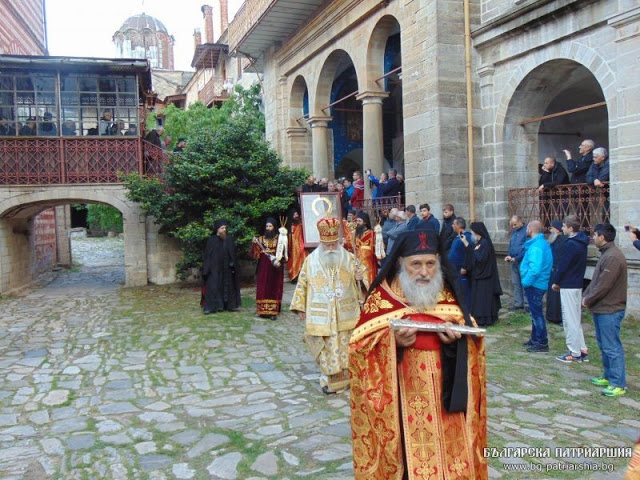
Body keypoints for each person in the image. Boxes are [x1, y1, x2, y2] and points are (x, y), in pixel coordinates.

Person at [349, 228, 488, 480]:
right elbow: (360, 348)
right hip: (403, 390)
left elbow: (472, 338)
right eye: (416, 264)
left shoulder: (447, 293)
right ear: (401, 263)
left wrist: (456, 342)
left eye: (430, 264)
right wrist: (393, 343)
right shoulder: (383, 297)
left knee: (451, 456)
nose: (424, 272)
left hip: (446, 393)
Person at [290, 217, 363, 394]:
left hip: (346, 312)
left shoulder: (350, 258)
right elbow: (303, 283)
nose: (330, 249)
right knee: (327, 346)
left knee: (346, 346)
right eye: (327, 245)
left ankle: (347, 379)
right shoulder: (310, 261)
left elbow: (363, 282)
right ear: (321, 242)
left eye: (333, 245)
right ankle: (329, 379)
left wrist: (361, 278)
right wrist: (300, 306)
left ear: (338, 242)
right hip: (322, 313)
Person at [583, 223, 628, 397]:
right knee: (604, 344)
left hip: (610, 308)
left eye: (595, 234)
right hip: (602, 308)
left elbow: (604, 285)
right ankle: (608, 376)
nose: (593, 237)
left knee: (612, 346)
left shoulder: (613, 257)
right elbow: (596, 281)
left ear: (602, 236)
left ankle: (618, 383)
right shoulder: (606, 254)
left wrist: (588, 299)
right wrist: (587, 294)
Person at [551, 215, 589, 363]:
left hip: (568, 284)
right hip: (576, 283)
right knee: (575, 318)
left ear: (571, 228)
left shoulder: (571, 244)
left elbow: (564, 265)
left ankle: (574, 352)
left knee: (569, 319)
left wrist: (556, 281)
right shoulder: (581, 241)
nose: (562, 228)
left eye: (565, 226)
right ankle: (582, 349)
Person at [461, 221, 502, 326]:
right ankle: (478, 318)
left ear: (477, 232)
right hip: (478, 276)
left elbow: (481, 259)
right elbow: (474, 254)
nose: (472, 235)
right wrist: (466, 243)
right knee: (479, 299)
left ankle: (485, 319)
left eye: (472, 232)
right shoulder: (479, 243)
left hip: (484, 276)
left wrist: (474, 251)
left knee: (483, 299)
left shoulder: (485, 243)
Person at [520, 221, 553, 352]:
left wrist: (526, 282)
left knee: (537, 314)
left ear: (531, 230)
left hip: (535, 284)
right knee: (534, 314)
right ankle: (534, 339)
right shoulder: (539, 243)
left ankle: (542, 342)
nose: (526, 230)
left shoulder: (537, 247)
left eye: (527, 227)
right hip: (537, 283)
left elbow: (535, 269)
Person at [202, 219, 241, 314]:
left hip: (227, 268)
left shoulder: (229, 239)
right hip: (214, 268)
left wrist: (232, 263)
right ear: (217, 229)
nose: (224, 230)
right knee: (213, 286)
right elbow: (207, 256)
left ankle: (230, 306)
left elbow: (233, 254)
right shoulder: (212, 240)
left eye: (225, 228)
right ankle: (211, 307)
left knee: (229, 286)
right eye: (222, 228)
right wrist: (207, 268)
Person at [250, 218, 285, 320]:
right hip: (264, 268)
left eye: (270, 226)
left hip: (275, 268)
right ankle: (262, 310)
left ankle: (273, 312)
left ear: (274, 227)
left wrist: (279, 260)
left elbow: (284, 252)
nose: (268, 228)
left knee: (274, 287)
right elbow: (255, 255)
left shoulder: (279, 239)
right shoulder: (260, 239)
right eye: (267, 226)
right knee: (263, 286)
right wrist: (254, 244)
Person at [449, 216, 473, 312]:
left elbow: (469, 253)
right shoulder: (457, 237)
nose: (452, 226)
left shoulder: (467, 237)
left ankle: (467, 312)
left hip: (461, 270)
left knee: (465, 292)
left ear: (458, 225)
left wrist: (465, 267)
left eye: (454, 224)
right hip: (454, 269)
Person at [353, 211, 382, 289]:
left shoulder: (373, 234)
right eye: (356, 221)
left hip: (368, 263)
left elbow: (378, 247)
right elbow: (351, 246)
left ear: (365, 222)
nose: (357, 223)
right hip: (357, 262)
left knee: (368, 282)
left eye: (359, 221)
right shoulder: (355, 234)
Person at [504, 215, 528, 311]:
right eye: (512, 225)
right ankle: (518, 303)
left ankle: (527, 305)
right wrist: (509, 255)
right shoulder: (514, 232)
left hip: (522, 261)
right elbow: (511, 245)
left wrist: (517, 258)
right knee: (516, 283)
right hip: (514, 261)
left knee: (524, 283)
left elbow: (526, 248)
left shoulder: (526, 231)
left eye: (515, 224)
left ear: (520, 221)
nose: (513, 227)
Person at [545, 220, 566, 325]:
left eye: (552, 228)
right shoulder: (552, 240)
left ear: (557, 230)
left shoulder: (563, 241)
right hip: (551, 271)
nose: (550, 230)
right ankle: (551, 316)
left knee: (558, 297)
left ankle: (559, 317)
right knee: (551, 296)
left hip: (558, 271)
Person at [287, 208, 307, 283]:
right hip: (294, 248)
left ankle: (305, 278)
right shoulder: (289, 226)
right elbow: (289, 238)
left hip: (303, 246)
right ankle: (295, 277)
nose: (296, 215)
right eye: (294, 214)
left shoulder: (301, 224)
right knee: (295, 261)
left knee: (304, 259)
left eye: (296, 214)